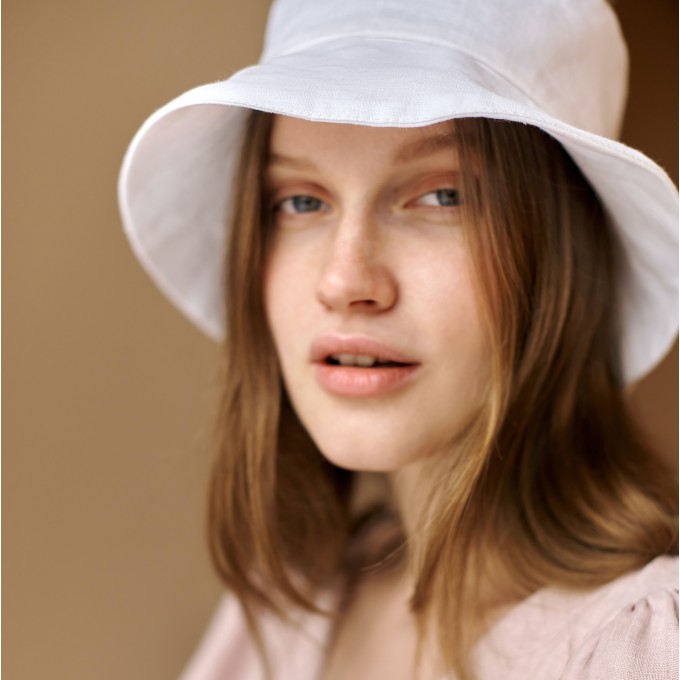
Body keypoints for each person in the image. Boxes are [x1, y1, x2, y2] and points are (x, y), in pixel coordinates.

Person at [118, 0, 679, 678]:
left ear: (561, 255)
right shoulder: (287, 618)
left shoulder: (641, 649)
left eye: (442, 196)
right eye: (301, 201)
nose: (345, 279)